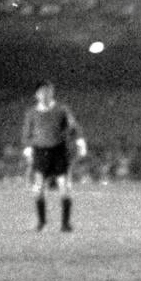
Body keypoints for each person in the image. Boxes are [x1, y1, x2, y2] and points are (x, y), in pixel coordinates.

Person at [21, 81, 87, 232]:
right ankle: (41, 222)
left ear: (52, 93)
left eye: (49, 91)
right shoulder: (32, 113)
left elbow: (74, 127)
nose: (46, 95)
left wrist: (81, 142)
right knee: (39, 188)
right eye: (43, 92)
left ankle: (65, 224)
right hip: (40, 152)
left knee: (64, 186)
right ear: (36, 94)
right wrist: (27, 148)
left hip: (58, 151)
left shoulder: (61, 110)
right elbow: (26, 133)